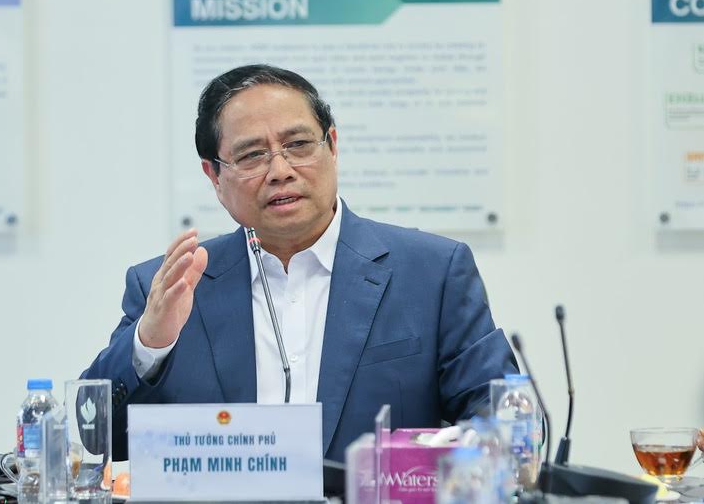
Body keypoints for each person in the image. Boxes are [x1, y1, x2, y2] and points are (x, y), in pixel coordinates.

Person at [82, 64, 518, 462]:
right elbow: (96, 437)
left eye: (298, 145)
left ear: (332, 146)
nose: (280, 170)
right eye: (252, 155)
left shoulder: (432, 274)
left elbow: (504, 424)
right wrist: (150, 343)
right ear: (214, 176)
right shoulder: (170, 287)